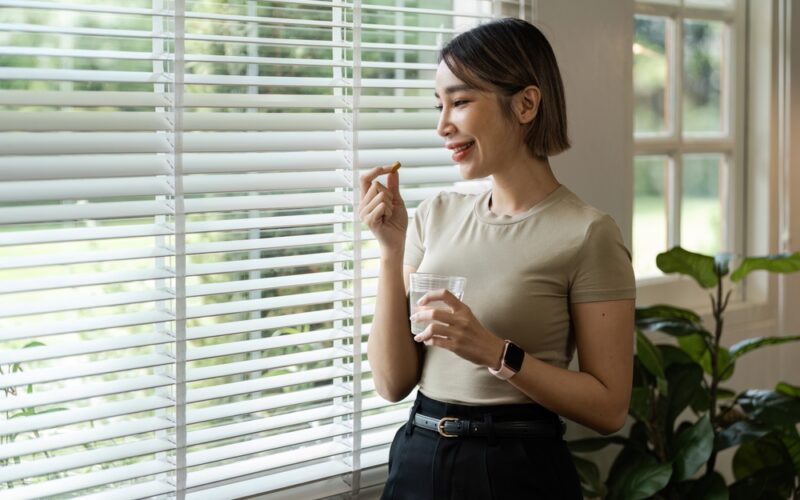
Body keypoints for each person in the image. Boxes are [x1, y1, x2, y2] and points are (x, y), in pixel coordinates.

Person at [360, 18, 636, 499]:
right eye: (439, 105)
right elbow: (391, 382)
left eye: (461, 102)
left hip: (517, 467)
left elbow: (610, 408)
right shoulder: (435, 214)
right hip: (417, 456)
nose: (442, 124)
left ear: (526, 103)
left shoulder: (588, 233)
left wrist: (495, 353)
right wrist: (390, 251)